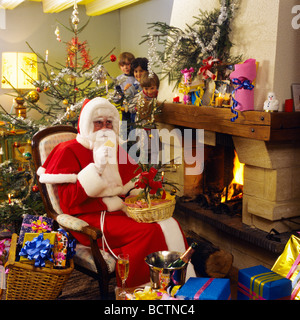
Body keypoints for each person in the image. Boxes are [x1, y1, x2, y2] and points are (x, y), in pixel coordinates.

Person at [37, 97, 195, 287]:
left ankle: (179, 282)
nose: (104, 128)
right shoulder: (67, 150)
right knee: (148, 231)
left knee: (170, 222)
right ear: (88, 125)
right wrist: (96, 169)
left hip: (118, 210)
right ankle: (138, 289)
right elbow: (68, 203)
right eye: (98, 123)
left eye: (108, 123)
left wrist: (141, 197)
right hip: (89, 217)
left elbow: (134, 183)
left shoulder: (115, 148)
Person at [114, 52, 136, 141]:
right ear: (120, 66)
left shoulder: (136, 77)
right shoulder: (119, 79)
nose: (126, 67)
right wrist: (122, 92)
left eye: (128, 64)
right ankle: (123, 142)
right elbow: (117, 95)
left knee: (133, 126)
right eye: (123, 65)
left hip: (134, 107)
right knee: (124, 125)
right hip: (124, 107)